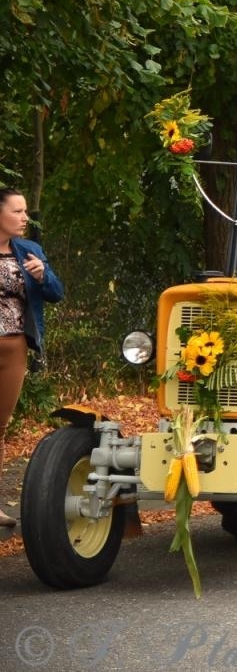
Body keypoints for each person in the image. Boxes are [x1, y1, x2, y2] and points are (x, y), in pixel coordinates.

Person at [1, 188, 64, 528]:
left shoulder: (29, 251)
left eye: (26, 211)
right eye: (18, 211)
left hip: (14, 349)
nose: (25, 217)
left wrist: (43, 276)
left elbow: (56, 293)